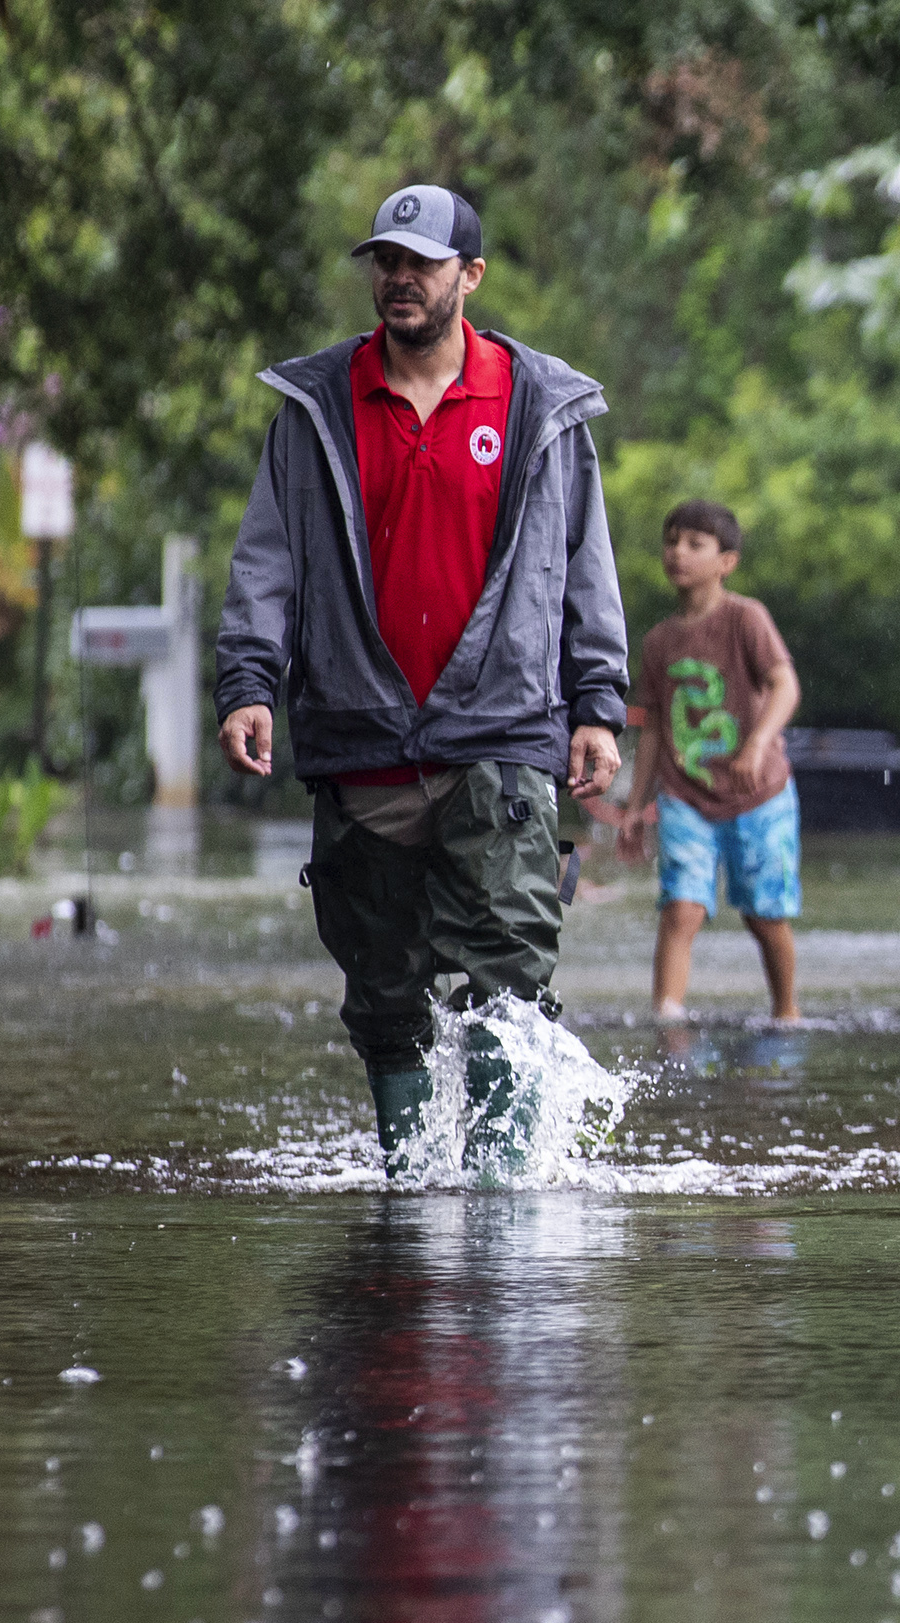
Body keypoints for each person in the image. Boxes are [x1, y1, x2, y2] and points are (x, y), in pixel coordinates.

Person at [216, 183, 630, 1174]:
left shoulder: (541, 403)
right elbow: (267, 557)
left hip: (502, 727)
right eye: (386, 263)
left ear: (468, 278)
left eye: (420, 264)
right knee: (384, 990)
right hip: (360, 731)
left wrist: (598, 705)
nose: (398, 280)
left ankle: (500, 1193)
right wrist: (247, 682)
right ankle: (410, 1185)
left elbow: (586, 561)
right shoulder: (318, 407)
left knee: (511, 973)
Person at [618, 499, 804, 1025]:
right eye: (671, 541)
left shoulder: (746, 618)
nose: (678, 553)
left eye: (695, 544)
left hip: (759, 793)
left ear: (727, 561)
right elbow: (653, 728)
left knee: (765, 916)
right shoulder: (658, 642)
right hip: (686, 796)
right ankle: (667, 1020)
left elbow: (785, 685)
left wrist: (757, 745)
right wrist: (635, 806)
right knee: (682, 908)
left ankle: (787, 1014)